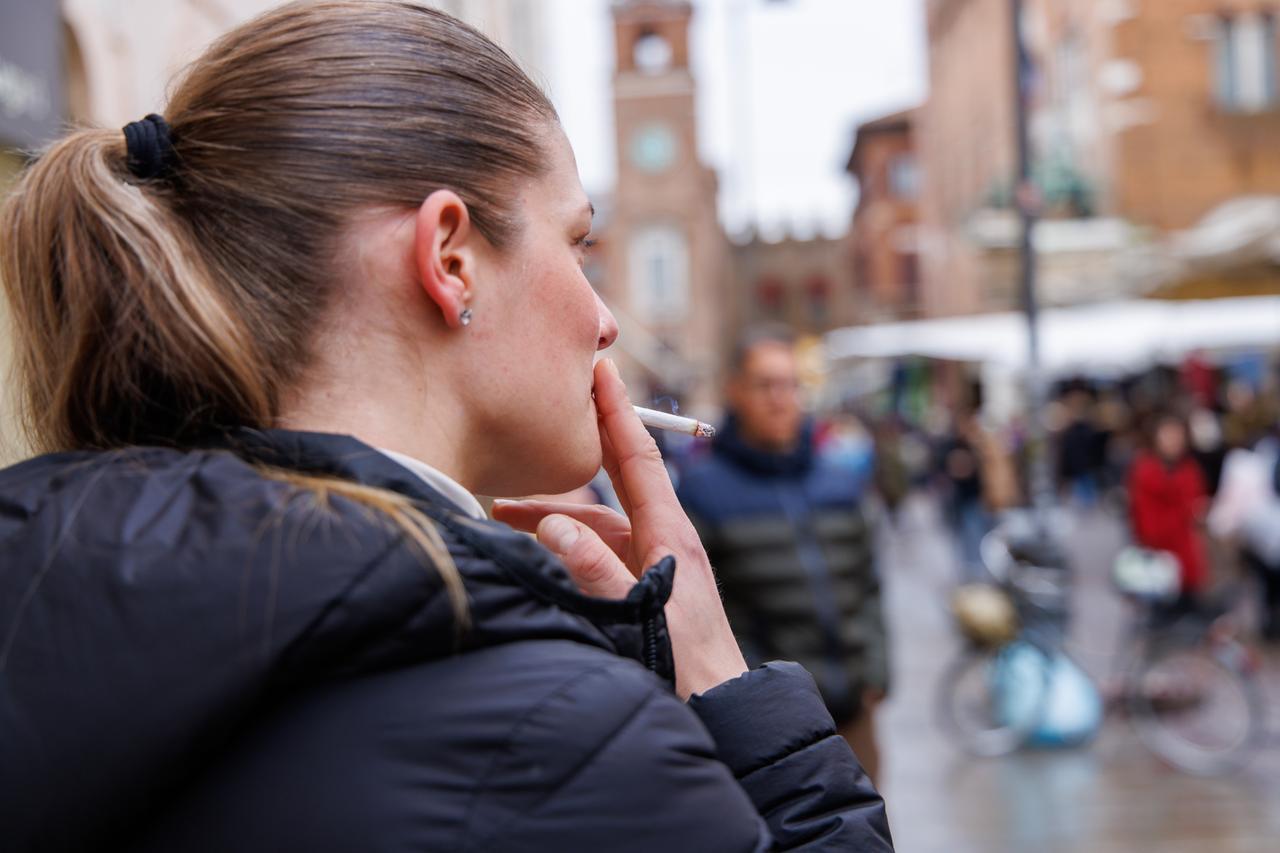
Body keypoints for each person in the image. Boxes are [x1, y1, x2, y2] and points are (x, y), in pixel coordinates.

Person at [0, 4, 892, 851]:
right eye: (577, 244)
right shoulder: (560, 741)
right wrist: (723, 684)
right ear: (451, 259)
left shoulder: (41, 582)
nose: (605, 318)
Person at [677, 328, 890, 785]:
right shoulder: (704, 490)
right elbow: (700, 609)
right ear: (735, 391)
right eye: (765, 385)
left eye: (790, 385)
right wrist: (755, 691)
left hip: (853, 711)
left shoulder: (837, 481)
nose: (780, 400)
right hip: (773, 724)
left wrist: (876, 670)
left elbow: (869, 583)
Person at [1128, 414, 1210, 608]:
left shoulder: (1190, 470)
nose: (1173, 441)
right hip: (1156, 559)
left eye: (1177, 436)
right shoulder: (1145, 471)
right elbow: (1142, 517)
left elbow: (1196, 505)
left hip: (1186, 556)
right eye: (1168, 435)